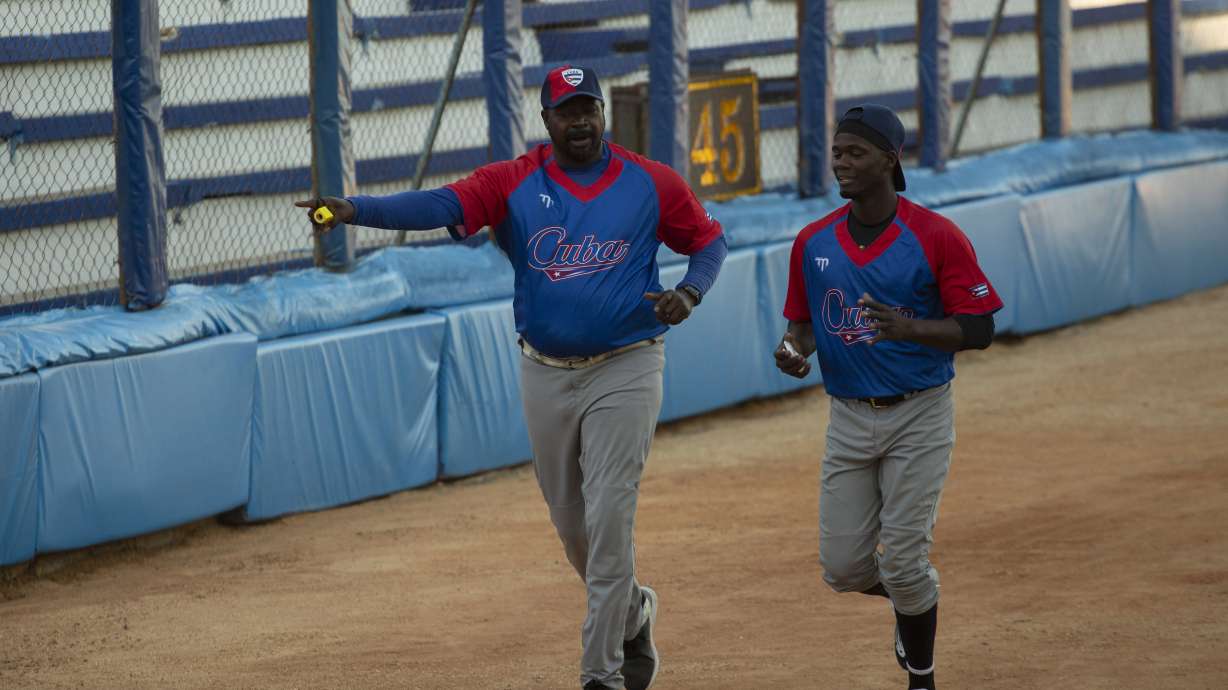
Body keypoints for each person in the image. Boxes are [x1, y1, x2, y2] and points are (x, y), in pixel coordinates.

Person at [298, 65, 727, 690]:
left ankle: (599, 673)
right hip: (545, 372)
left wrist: (690, 291)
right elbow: (442, 203)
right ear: (546, 119)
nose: (579, 121)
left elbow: (708, 243)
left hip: (628, 365)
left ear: (603, 114)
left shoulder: (649, 181)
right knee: (572, 527)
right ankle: (633, 610)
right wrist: (354, 209)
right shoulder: (514, 182)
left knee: (610, 517)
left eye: (589, 109)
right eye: (566, 111)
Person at [774, 104, 1002, 690]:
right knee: (844, 569)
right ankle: (911, 603)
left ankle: (921, 677)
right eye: (838, 151)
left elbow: (979, 328)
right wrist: (794, 350)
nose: (841, 163)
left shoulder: (934, 235)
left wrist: (912, 329)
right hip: (847, 416)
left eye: (855, 152)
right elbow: (802, 325)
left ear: (890, 160)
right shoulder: (813, 242)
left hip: (919, 412)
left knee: (902, 558)